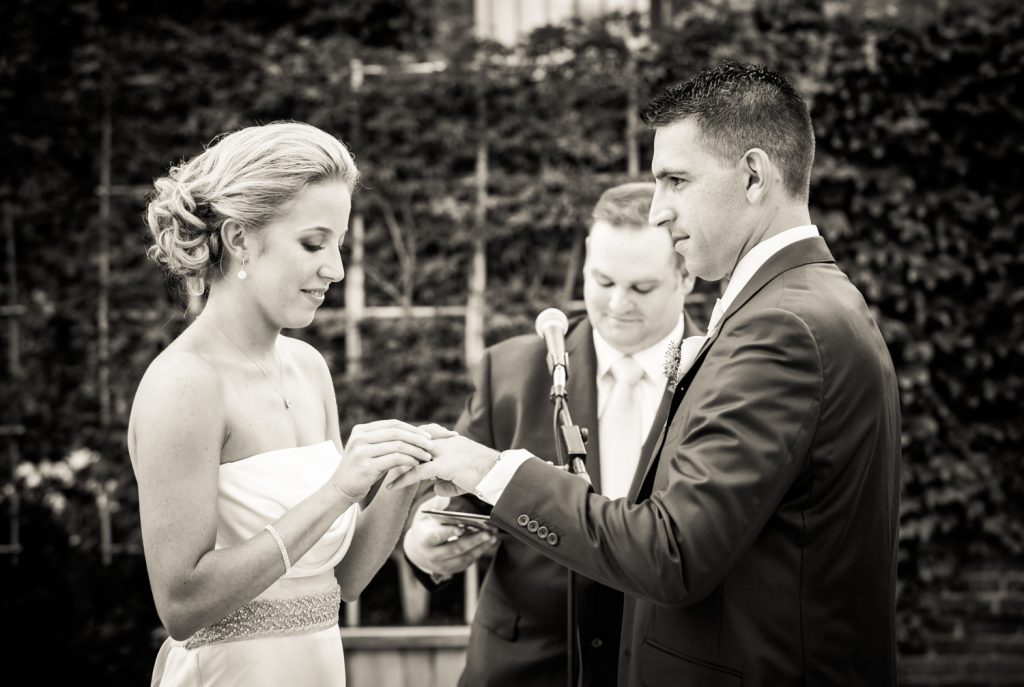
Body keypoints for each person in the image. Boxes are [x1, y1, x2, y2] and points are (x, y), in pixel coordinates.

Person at [392, 61, 902, 686]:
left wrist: (487, 468)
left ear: (752, 175)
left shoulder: (781, 326)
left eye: (676, 181)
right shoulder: (806, 301)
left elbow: (672, 552)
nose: (660, 211)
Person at [129, 121, 445, 687]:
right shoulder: (183, 384)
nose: (337, 269)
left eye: (339, 245)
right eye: (313, 243)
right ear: (239, 238)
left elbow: (340, 581)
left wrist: (405, 479)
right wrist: (339, 490)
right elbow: (181, 605)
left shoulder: (307, 367)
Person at [401, 182, 697, 687]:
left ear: (686, 275)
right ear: (584, 265)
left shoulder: (717, 374)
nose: (617, 304)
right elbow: (445, 499)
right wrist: (424, 544)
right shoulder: (512, 371)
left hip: (668, 662)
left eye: (641, 288)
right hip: (527, 667)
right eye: (602, 281)